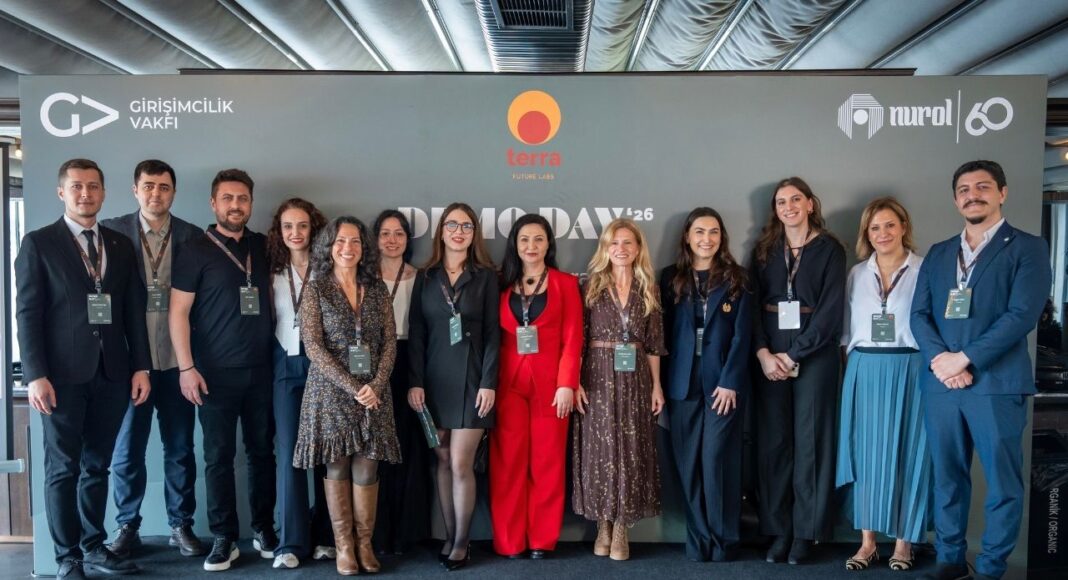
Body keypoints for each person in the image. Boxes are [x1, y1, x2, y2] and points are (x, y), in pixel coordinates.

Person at [911, 160, 1050, 580]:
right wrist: (943, 362)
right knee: (947, 479)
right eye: (964, 189)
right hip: (942, 385)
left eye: (983, 187)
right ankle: (950, 560)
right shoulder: (939, 252)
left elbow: (1021, 315)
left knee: (1002, 484)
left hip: (997, 383)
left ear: (1002, 193)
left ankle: (990, 569)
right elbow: (919, 315)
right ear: (956, 200)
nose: (973, 195)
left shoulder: (1027, 247)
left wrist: (965, 358)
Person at [16, 158, 151, 579]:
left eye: (93, 186)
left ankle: (93, 545)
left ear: (104, 192)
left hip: (112, 374)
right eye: (76, 186)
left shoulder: (120, 245)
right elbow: (27, 313)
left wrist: (141, 367)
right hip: (59, 379)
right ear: (62, 192)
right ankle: (67, 557)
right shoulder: (39, 243)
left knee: (97, 465)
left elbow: (133, 311)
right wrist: (35, 374)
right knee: (63, 469)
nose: (85, 194)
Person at [170, 168, 278, 572]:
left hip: (263, 369)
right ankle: (224, 536)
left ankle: (264, 528)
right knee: (218, 457)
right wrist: (186, 367)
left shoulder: (264, 246)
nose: (236, 205)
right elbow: (178, 313)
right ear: (213, 203)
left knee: (262, 452)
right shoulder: (194, 249)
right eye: (228, 198)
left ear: (251, 203)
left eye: (243, 198)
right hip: (212, 373)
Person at [102, 159, 205, 560]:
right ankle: (127, 525)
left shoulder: (193, 236)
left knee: (180, 448)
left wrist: (191, 363)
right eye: (148, 186)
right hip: (133, 364)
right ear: (135, 190)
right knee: (128, 450)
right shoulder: (111, 233)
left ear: (173, 192)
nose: (156, 194)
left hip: (179, 361)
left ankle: (181, 524)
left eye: (163, 187)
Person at [292, 216, 400, 576]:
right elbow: (314, 348)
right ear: (329, 246)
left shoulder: (377, 289)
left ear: (364, 248)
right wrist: (354, 388)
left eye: (355, 241)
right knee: (337, 463)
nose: (347, 248)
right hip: (331, 391)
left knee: (368, 464)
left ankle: (364, 544)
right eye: (340, 241)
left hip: (373, 392)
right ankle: (343, 547)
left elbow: (389, 343)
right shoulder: (316, 289)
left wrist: (377, 384)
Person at [750, 177, 845, 565]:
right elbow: (751, 306)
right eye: (780, 202)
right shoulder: (765, 250)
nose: (788, 207)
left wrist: (794, 355)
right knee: (774, 443)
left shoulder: (830, 249)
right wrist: (763, 353)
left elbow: (831, 312)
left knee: (811, 442)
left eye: (795, 199)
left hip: (814, 355)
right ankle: (779, 530)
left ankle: (807, 532)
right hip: (770, 354)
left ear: (810, 204)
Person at [836, 197, 931, 571]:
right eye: (874, 227)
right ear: (866, 234)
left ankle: (904, 544)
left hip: (911, 367)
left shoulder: (925, 270)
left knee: (910, 452)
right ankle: (868, 544)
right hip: (864, 368)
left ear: (904, 226)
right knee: (865, 455)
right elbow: (846, 331)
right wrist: (854, 373)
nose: (883, 233)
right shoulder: (857, 274)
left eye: (890, 224)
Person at [408, 202, 499, 571]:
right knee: (442, 459)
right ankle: (449, 535)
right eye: (452, 225)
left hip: (473, 380)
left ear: (474, 234)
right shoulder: (425, 276)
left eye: (466, 226)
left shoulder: (486, 277)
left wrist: (489, 383)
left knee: (461, 462)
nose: (459, 232)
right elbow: (417, 333)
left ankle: (462, 542)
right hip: (434, 380)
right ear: (441, 231)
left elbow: (493, 334)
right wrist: (415, 381)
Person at [659, 207, 751, 563]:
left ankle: (724, 541)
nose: (706, 239)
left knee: (716, 461)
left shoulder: (737, 278)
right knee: (688, 465)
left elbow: (743, 336)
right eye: (699, 232)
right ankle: (699, 540)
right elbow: (662, 335)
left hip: (722, 385)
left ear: (721, 237)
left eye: (713, 232)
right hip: (681, 382)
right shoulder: (671, 278)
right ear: (687, 236)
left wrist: (730, 381)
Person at [572, 218, 666, 562]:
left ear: (638, 248)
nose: (621, 249)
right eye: (614, 243)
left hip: (636, 377)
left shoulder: (649, 288)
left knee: (630, 448)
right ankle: (603, 525)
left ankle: (623, 527)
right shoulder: (590, 286)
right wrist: (575, 381)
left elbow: (654, 344)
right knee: (600, 450)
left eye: (627, 242)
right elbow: (578, 339)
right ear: (605, 248)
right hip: (596, 375)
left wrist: (657, 386)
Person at [490, 214, 582, 559]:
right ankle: (510, 542)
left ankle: (542, 539)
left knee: (547, 463)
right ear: (515, 244)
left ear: (548, 244)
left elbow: (573, 338)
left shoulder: (565, 284)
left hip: (552, 388)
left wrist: (567, 384)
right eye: (525, 239)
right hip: (507, 386)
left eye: (539, 239)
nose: (531, 246)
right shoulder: (500, 283)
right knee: (507, 465)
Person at [266, 198, 333, 569]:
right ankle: (291, 543)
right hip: (284, 362)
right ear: (279, 231)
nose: (295, 233)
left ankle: (325, 536)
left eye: (302, 225)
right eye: (288, 226)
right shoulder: (270, 270)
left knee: (325, 451)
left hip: (324, 364)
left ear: (314, 228)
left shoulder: (328, 268)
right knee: (290, 450)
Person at [371, 209, 430, 555]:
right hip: (374, 364)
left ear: (408, 240)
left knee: (408, 448)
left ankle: (407, 534)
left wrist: (417, 376)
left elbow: (423, 331)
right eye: (385, 233)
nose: (392, 240)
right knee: (377, 450)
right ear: (375, 238)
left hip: (410, 363)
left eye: (399, 234)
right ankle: (377, 532)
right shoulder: (364, 277)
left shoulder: (420, 277)